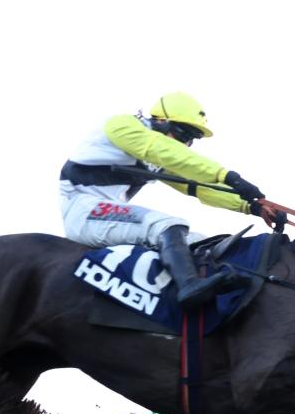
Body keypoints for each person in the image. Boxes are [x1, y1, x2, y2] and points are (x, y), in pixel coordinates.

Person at [59, 92, 275, 308]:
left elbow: (198, 187)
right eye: (183, 134)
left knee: (200, 242)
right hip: (83, 211)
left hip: (105, 214)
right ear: (161, 121)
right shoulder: (122, 126)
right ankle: (189, 286)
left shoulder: (159, 154)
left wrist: (252, 206)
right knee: (168, 225)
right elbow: (164, 151)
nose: (185, 143)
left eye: (190, 139)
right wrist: (227, 176)